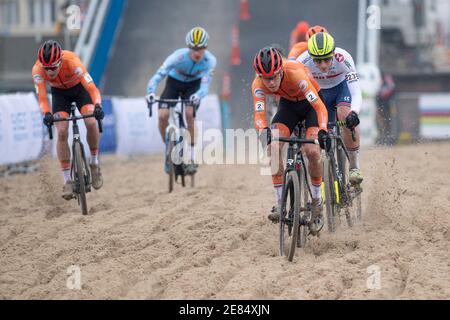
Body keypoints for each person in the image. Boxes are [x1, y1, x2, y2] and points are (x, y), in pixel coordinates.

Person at [252, 46, 330, 234]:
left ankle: (317, 201)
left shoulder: (295, 74)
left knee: (312, 151)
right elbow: (259, 115)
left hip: (310, 104)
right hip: (288, 107)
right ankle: (280, 203)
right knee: (274, 147)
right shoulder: (258, 85)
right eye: (266, 78)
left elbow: (319, 107)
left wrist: (323, 130)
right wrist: (264, 131)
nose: (270, 83)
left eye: (274, 77)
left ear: (281, 71)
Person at [32, 40, 104, 200]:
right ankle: (67, 181)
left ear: (60, 62)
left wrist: (98, 106)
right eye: (47, 68)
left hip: (80, 90)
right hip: (59, 95)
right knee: (62, 131)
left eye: (53, 68)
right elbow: (42, 98)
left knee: (91, 122)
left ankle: (94, 163)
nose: (50, 72)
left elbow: (92, 89)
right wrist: (46, 114)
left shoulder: (72, 62)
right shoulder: (37, 70)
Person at [146, 27, 217, 174]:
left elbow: (205, 86)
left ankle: (191, 157)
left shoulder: (210, 61)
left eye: (200, 48)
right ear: (188, 47)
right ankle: (168, 148)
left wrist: (198, 95)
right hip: (174, 83)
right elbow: (158, 76)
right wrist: (151, 92)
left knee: (190, 114)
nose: (197, 52)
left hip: (194, 86)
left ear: (206, 47)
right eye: (193, 48)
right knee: (162, 116)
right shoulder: (177, 57)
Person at [297, 32, 363, 184]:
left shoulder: (344, 58)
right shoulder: (302, 61)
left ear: (333, 53)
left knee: (345, 116)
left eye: (327, 59)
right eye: (318, 61)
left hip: (341, 89)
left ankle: (354, 166)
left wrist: (354, 113)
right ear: (310, 56)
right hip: (318, 93)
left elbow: (356, 92)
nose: (323, 65)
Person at [376, 69, 396, 145]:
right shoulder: (380, 79)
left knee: (388, 121)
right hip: (380, 104)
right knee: (381, 122)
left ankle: (389, 138)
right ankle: (382, 138)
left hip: (387, 104)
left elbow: (390, 89)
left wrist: (380, 94)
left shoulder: (387, 79)